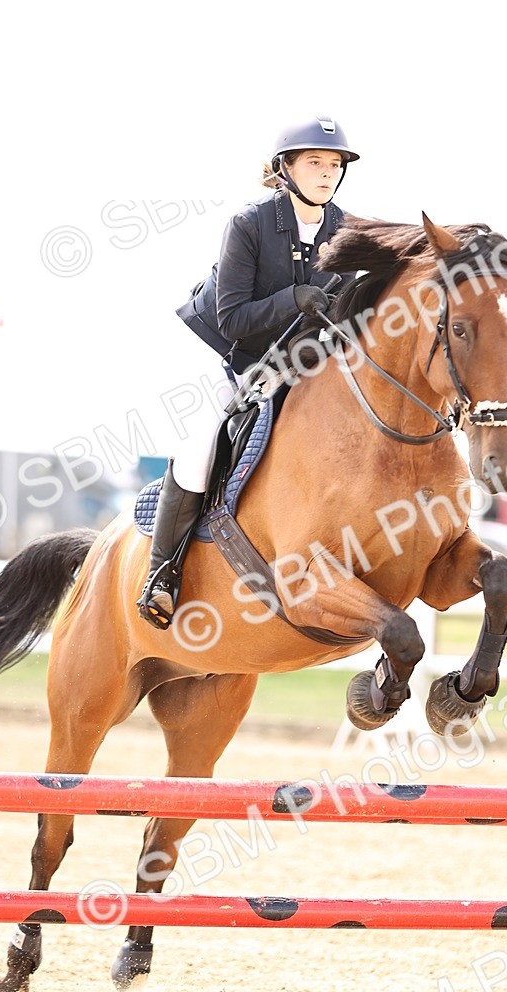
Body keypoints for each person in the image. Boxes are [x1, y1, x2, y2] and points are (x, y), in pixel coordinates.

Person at [137, 116, 360, 629]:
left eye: (334, 165)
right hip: (225, 354)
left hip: (292, 365)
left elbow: (348, 320)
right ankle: (161, 575)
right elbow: (232, 318)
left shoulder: (345, 232)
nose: (326, 174)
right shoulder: (250, 224)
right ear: (286, 168)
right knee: (199, 452)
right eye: (315, 163)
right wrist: (292, 300)